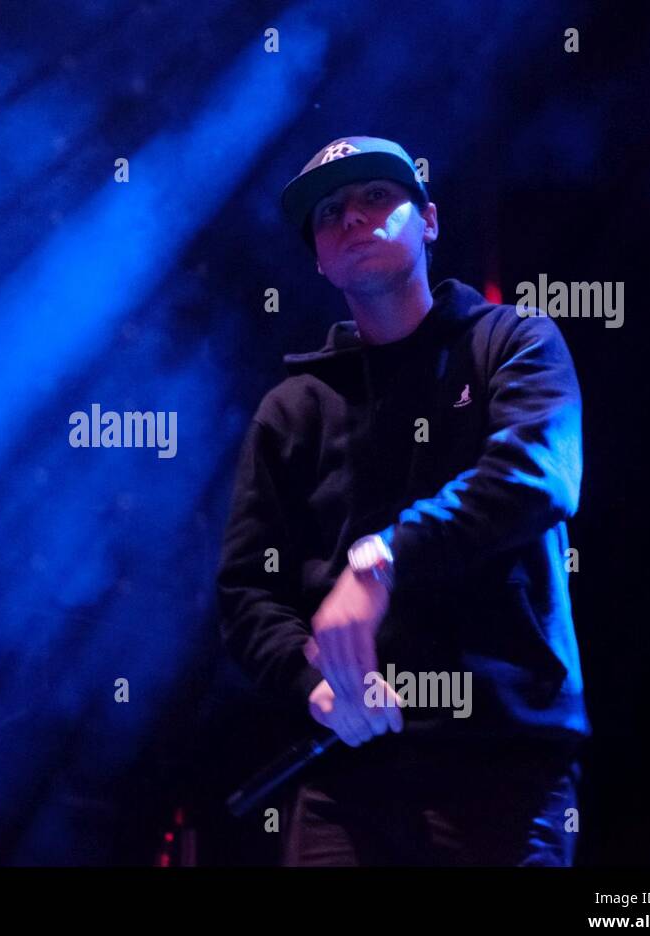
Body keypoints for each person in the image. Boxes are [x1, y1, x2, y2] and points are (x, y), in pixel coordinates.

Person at [215, 135, 591, 865]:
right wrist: (311, 682)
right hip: (344, 776)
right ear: (320, 260)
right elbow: (246, 591)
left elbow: (538, 474)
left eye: (376, 196)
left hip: (501, 762)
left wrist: (383, 560)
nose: (353, 216)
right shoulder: (292, 409)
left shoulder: (514, 342)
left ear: (430, 221)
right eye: (330, 212)